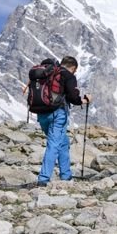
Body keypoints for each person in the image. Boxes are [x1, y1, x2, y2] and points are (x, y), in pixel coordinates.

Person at [37, 56, 89, 187]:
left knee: (63, 142)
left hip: (41, 113)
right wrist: (84, 100)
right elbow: (73, 97)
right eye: (75, 70)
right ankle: (43, 178)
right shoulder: (68, 75)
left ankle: (66, 175)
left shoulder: (47, 73)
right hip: (57, 114)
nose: (74, 73)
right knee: (53, 144)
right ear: (73, 68)